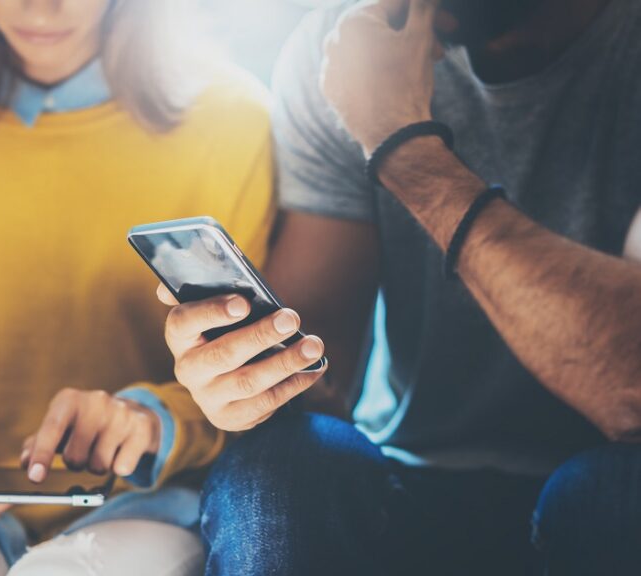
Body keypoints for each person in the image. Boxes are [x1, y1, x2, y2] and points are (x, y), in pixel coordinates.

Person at [155, 0, 641, 574]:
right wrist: (247, 381)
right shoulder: (342, 48)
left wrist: (402, 144)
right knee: (280, 467)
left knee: (615, 492)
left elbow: (630, 393)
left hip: (606, 474)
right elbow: (322, 382)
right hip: (416, 476)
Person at [0, 0, 285, 573]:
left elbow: (255, 371)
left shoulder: (233, 119)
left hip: (147, 507)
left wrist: (149, 420)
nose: (40, 8)